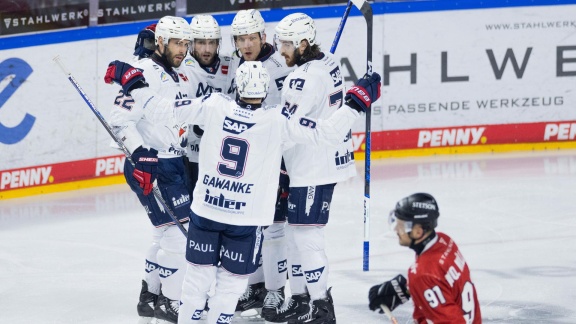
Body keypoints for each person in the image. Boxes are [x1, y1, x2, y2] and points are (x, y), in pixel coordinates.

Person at [103, 59, 381, 324]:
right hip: (246, 221)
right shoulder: (278, 120)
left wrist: (134, 81)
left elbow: (159, 110)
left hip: (207, 212)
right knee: (229, 288)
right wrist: (356, 102)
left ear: (236, 86)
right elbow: (329, 132)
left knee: (196, 284)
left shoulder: (213, 106)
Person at [263, 13, 362, 324]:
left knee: (307, 239)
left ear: (304, 43)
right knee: (298, 235)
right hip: (320, 161)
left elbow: (286, 127)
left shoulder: (301, 79)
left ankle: (321, 307)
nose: (281, 51)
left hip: (312, 168)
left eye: (287, 45)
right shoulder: (329, 61)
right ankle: (306, 300)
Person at [108, 15, 193, 324]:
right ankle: (171, 303)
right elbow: (118, 120)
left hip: (173, 162)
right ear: (161, 42)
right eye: (176, 43)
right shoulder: (144, 72)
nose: (182, 49)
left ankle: (149, 298)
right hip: (151, 164)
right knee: (178, 237)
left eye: (185, 43)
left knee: (165, 234)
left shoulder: (181, 74)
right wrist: (140, 153)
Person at [226, 9, 295, 317]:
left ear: (263, 37)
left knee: (275, 229)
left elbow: (293, 115)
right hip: (248, 161)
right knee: (248, 226)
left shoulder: (281, 66)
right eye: (241, 38)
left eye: (251, 37)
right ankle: (255, 287)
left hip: (277, 160)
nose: (246, 44)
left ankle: (276, 291)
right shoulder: (235, 65)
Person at [368, 193, 482, 323]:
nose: (397, 231)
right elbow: (442, 281)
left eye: (401, 226)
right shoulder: (444, 241)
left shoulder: (423, 273)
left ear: (418, 231)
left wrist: (418, 283)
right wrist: (407, 288)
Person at [181, 14, 230, 201]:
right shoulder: (180, 69)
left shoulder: (231, 65)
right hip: (191, 159)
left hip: (222, 160)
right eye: (201, 43)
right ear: (192, 43)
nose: (207, 49)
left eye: (212, 43)